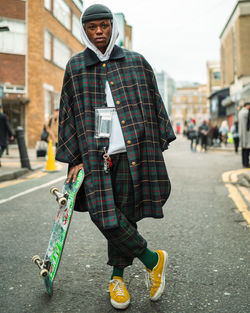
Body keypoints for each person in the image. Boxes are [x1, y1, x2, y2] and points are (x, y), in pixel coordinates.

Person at [55, 4, 176, 310]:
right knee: (103, 214)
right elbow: (67, 114)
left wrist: (157, 140)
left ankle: (117, 278)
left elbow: (154, 100)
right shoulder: (76, 66)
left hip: (132, 150)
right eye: (92, 27)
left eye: (104, 26)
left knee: (125, 215)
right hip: (95, 155)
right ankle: (152, 259)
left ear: (112, 27)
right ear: (85, 30)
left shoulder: (136, 61)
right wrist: (75, 157)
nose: (99, 32)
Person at [238, 102, 250, 167]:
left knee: (244, 151)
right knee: (247, 151)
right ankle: (246, 163)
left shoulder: (240, 112)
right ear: (247, 106)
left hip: (242, 134)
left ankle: (244, 163)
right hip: (247, 135)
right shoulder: (246, 112)